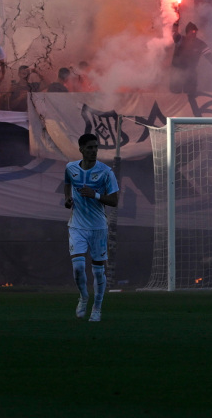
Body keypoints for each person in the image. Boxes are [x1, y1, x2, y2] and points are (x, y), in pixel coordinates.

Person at [63, 131, 119, 324]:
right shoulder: (70, 167)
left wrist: (94, 194)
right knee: (78, 268)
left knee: (97, 271)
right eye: (90, 148)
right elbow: (67, 183)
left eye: (96, 147)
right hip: (77, 226)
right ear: (81, 149)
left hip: (98, 228)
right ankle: (83, 296)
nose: (94, 151)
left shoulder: (106, 172)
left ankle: (97, 308)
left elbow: (114, 201)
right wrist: (67, 199)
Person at [169, 22, 212, 97]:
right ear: (187, 33)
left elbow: (210, 57)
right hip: (177, 74)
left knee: (191, 95)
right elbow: (174, 33)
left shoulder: (200, 44)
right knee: (174, 94)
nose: (194, 34)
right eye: (192, 32)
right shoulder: (181, 40)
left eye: (195, 32)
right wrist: (176, 22)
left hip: (190, 75)